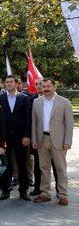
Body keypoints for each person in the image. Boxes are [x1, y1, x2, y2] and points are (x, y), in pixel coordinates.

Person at [31, 78, 73, 206]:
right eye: (44, 87)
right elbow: (34, 122)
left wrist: (67, 141)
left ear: (54, 86)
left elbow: (69, 124)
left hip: (59, 141)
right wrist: (34, 139)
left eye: (48, 86)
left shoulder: (64, 102)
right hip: (42, 139)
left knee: (61, 168)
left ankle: (63, 195)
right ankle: (45, 194)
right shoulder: (36, 102)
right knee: (44, 168)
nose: (46, 89)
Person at [0, 75, 31, 201]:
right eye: (7, 82)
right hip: (5, 138)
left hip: (21, 137)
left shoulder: (24, 98)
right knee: (6, 165)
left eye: (11, 82)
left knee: (22, 164)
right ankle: (5, 191)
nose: (9, 84)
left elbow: (28, 118)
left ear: (16, 83)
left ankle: (23, 191)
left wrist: (27, 135)